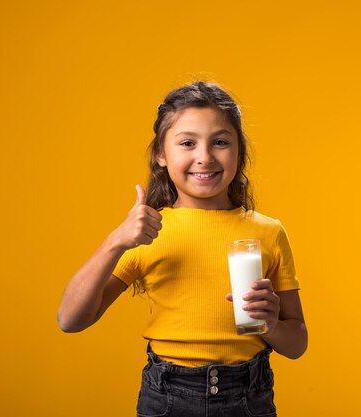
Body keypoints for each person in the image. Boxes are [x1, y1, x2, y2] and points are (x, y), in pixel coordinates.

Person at [57, 81, 307, 417]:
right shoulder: (146, 233)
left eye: (220, 142)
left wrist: (272, 323)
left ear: (239, 153)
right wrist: (116, 240)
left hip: (248, 397)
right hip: (168, 397)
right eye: (187, 143)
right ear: (161, 154)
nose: (204, 157)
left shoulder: (267, 232)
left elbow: (297, 344)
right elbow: (70, 320)